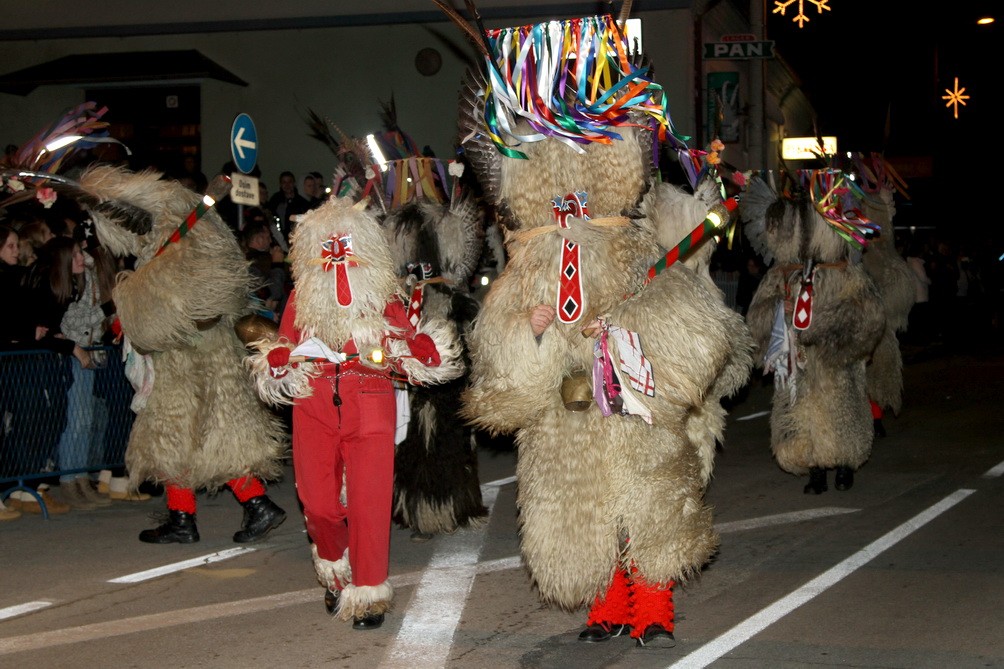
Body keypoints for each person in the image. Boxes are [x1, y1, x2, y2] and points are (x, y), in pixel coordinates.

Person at [449, 12, 753, 647]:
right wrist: (532, 333)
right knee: (582, 506)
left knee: (648, 495)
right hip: (565, 413)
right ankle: (609, 601)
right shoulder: (528, 255)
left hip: (633, 398)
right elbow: (499, 354)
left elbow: (680, 314)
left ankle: (655, 606)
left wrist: (618, 329)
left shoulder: (634, 242)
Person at [247, 196, 464, 630]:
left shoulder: (383, 294)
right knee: (319, 504)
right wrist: (278, 362)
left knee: (370, 502)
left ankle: (368, 592)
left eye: (345, 243)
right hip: (314, 402)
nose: (337, 253)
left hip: (370, 400)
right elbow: (283, 347)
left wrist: (419, 351)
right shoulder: (300, 297)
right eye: (329, 245)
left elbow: (408, 345)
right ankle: (333, 563)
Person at [62, 164, 290, 544]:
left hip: (183, 363)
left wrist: (135, 309)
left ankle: (201, 515)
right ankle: (237, 507)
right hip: (212, 355)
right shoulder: (192, 244)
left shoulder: (179, 255)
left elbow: (165, 321)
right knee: (206, 436)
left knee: (170, 435)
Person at [743, 172, 885, 495]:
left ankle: (845, 463)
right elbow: (756, 319)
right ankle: (816, 470)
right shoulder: (783, 275)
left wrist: (826, 325)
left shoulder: (846, 273)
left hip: (835, 360)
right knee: (802, 413)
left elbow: (869, 315)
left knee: (840, 407)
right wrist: (781, 313)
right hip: (798, 362)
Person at [24, 235, 111, 510]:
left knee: (84, 420)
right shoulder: (52, 287)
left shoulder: (72, 284)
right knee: (75, 422)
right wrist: (71, 344)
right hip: (66, 356)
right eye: (74, 255)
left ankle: (81, 477)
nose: (81, 259)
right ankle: (70, 479)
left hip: (76, 351)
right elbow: (67, 325)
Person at [0, 224, 71, 515]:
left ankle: (24, 482)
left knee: (34, 419)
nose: (16, 251)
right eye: (10, 246)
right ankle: (13, 482)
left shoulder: (18, 277)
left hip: (21, 359)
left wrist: (35, 329)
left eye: (18, 245)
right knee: (20, 422)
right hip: (10, 360)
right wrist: (30, 329)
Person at [241, 219, 290, 321]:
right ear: (258, 239)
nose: (271, 241)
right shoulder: (253, 264)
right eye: (268, 237)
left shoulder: (260, 259)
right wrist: (277, 264)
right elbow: (273, 295)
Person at [266, 171, 310, 245]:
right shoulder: (275, 200)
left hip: (297, 239)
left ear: (294, 183)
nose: (287, 185)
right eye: (284, 182)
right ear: (280, 184)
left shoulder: (302, 202)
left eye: (289, 182)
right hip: (279, 239)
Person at [905, 239, 932, 345]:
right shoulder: (915, 262)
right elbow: (923, 277)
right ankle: (920, 339)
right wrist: (930, 281)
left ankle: (917, 339)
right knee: (920, 318)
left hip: (916, 293)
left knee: (917, 318)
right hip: (920, 294)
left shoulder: (910, 261)